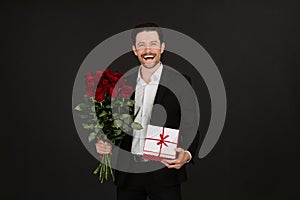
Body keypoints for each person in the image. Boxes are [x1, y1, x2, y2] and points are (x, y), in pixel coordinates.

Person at [95, 22, 200, 200]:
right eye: (142, 45)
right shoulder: (122, 83)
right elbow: (112, 125)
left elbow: (191, 125)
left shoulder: (181, 82)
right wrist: (104, 142)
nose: (148, 50)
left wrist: (187, 155)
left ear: (162, 47)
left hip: (164, 172)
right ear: (135, 49)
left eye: (153, 44)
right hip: (128, 174)